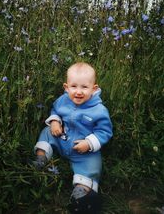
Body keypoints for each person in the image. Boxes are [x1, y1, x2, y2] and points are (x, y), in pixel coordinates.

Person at [33, 62, 113, 213]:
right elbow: (55, 110)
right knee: (47, 131)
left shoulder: (99, 110)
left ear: (94, 88)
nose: (78, 92)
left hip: (82, 150)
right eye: (74, 86)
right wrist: (55, 121)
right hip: (61, 137)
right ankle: (41, 157)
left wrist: (89, 143)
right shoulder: (63, 100)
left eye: (84, 87)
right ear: (66, 87)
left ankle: (82, 191)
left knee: (93, 164)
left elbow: (105, 131)